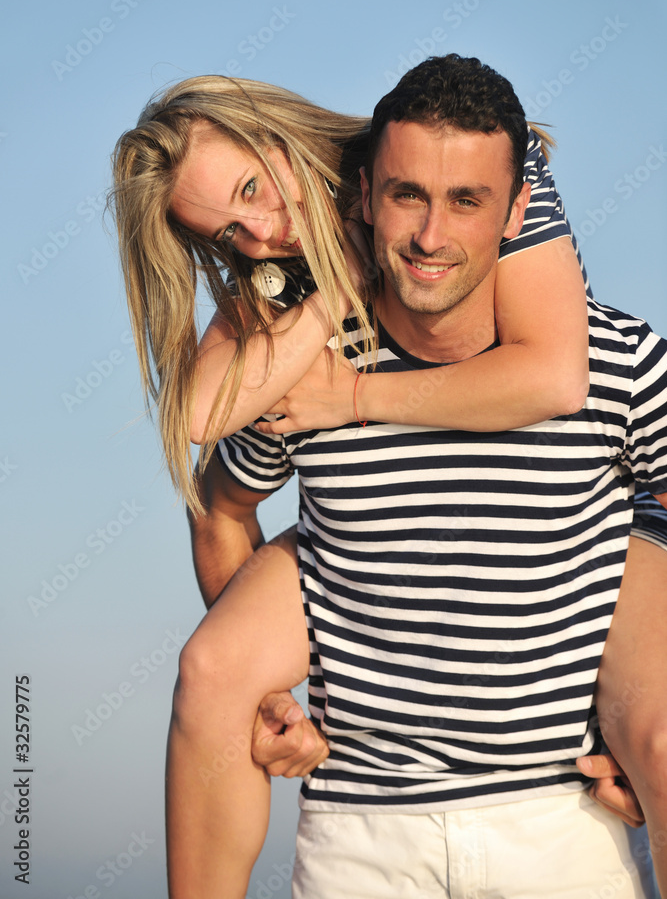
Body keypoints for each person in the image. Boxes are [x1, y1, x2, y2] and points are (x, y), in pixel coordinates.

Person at [110, 61, 667, 897]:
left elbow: (556, 375)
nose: (262, 233)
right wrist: (273, 705)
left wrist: (358, 397)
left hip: (559, 814)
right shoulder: (294, 335)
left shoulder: (463, 171)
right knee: (214, 672)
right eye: (227, 233)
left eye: (257, 189)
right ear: (368, 200)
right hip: (363, 829)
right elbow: (205, 449)